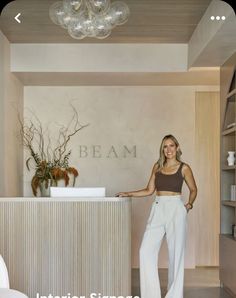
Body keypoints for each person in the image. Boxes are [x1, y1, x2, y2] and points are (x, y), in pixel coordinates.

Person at [116, 134, 197, 298]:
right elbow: (149, 190)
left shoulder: (184, 168)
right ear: (162, 149)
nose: (168, 150)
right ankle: (151, 294)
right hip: (158, 207)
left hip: (176, 207)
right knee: (145, 251)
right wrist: (128, 193)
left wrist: (188, 205)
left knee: (177, 253)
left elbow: (194, 189)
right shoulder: (157, 167)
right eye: (165, 146)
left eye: (171, 146)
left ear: (177, 147)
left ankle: (174, 295)